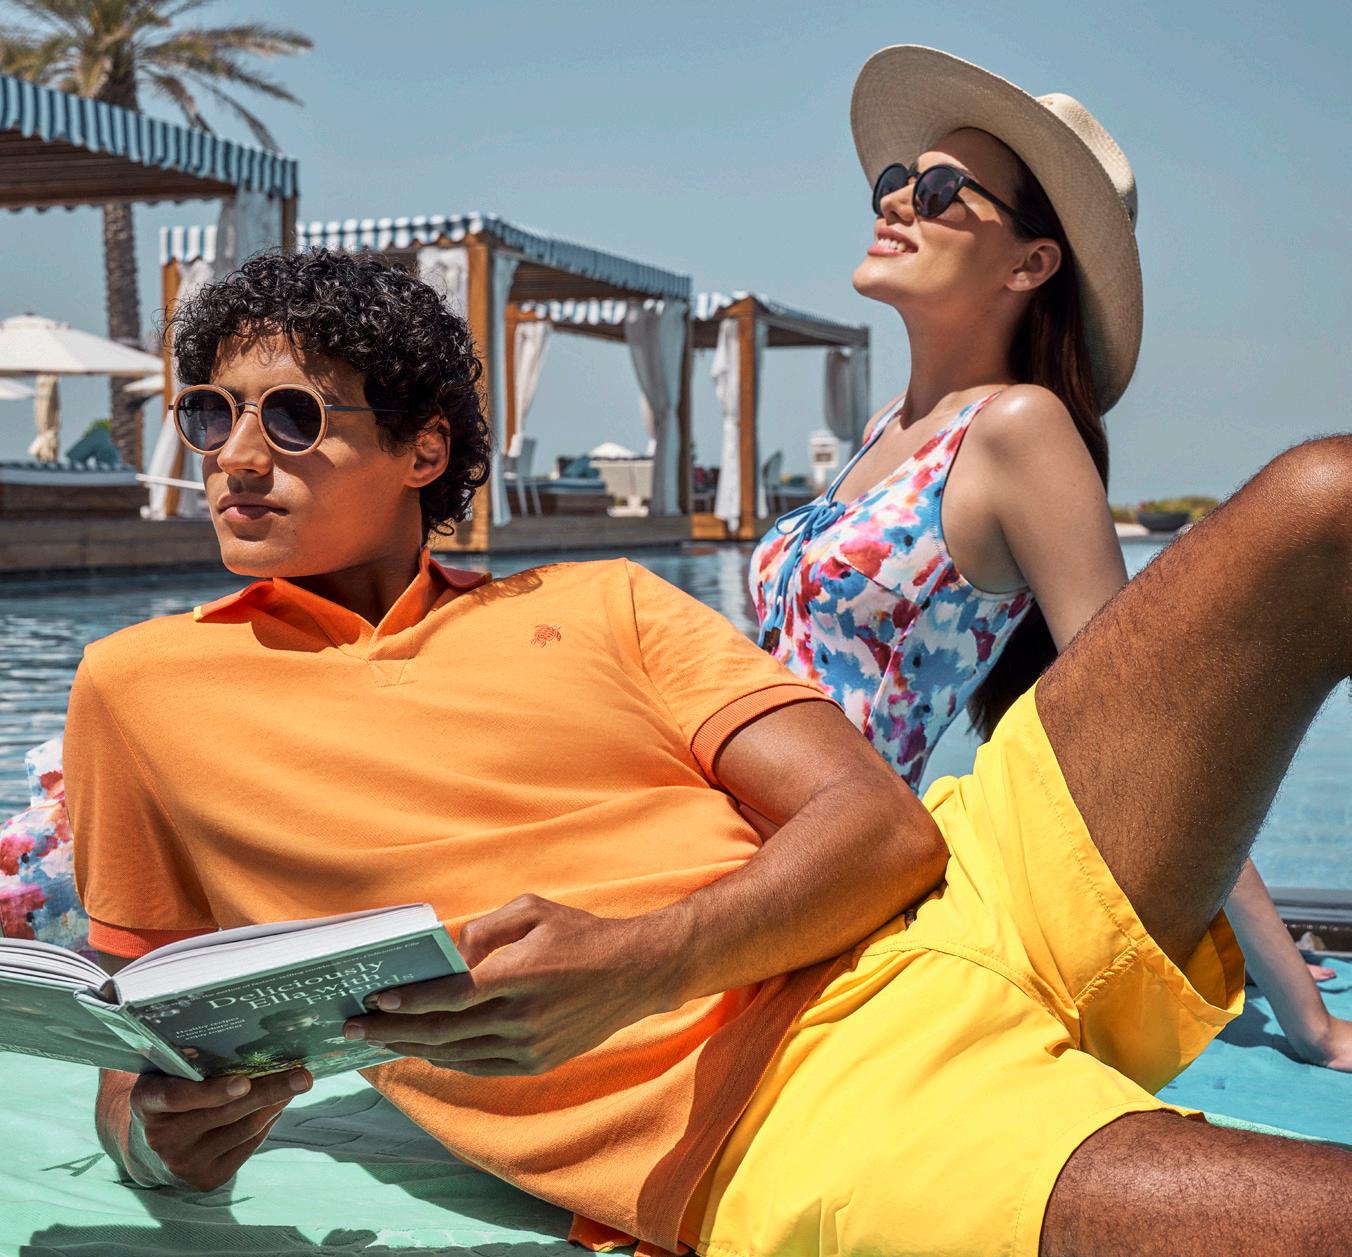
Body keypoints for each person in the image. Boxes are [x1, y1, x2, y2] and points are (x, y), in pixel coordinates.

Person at [65, 242, 1351, 1255]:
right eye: (208, 414)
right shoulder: (142, 689)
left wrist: (643, 960)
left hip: (965, 904)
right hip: (774, 1107)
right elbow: (134, 1034)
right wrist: (150, 1140)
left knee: (1323, 499)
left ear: (424, 448)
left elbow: (882, 829)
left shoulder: (606, 600)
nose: (236, 457)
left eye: (292, 418)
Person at [751, 43, 1350, 1070]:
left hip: (818, 888)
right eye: (894, 180)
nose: (893, 201)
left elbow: (1155, 733)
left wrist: (1307, 1018)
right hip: (731, 833)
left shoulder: (1017, 431)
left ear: (1030, 265)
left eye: (937, 190)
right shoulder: (883, 431)